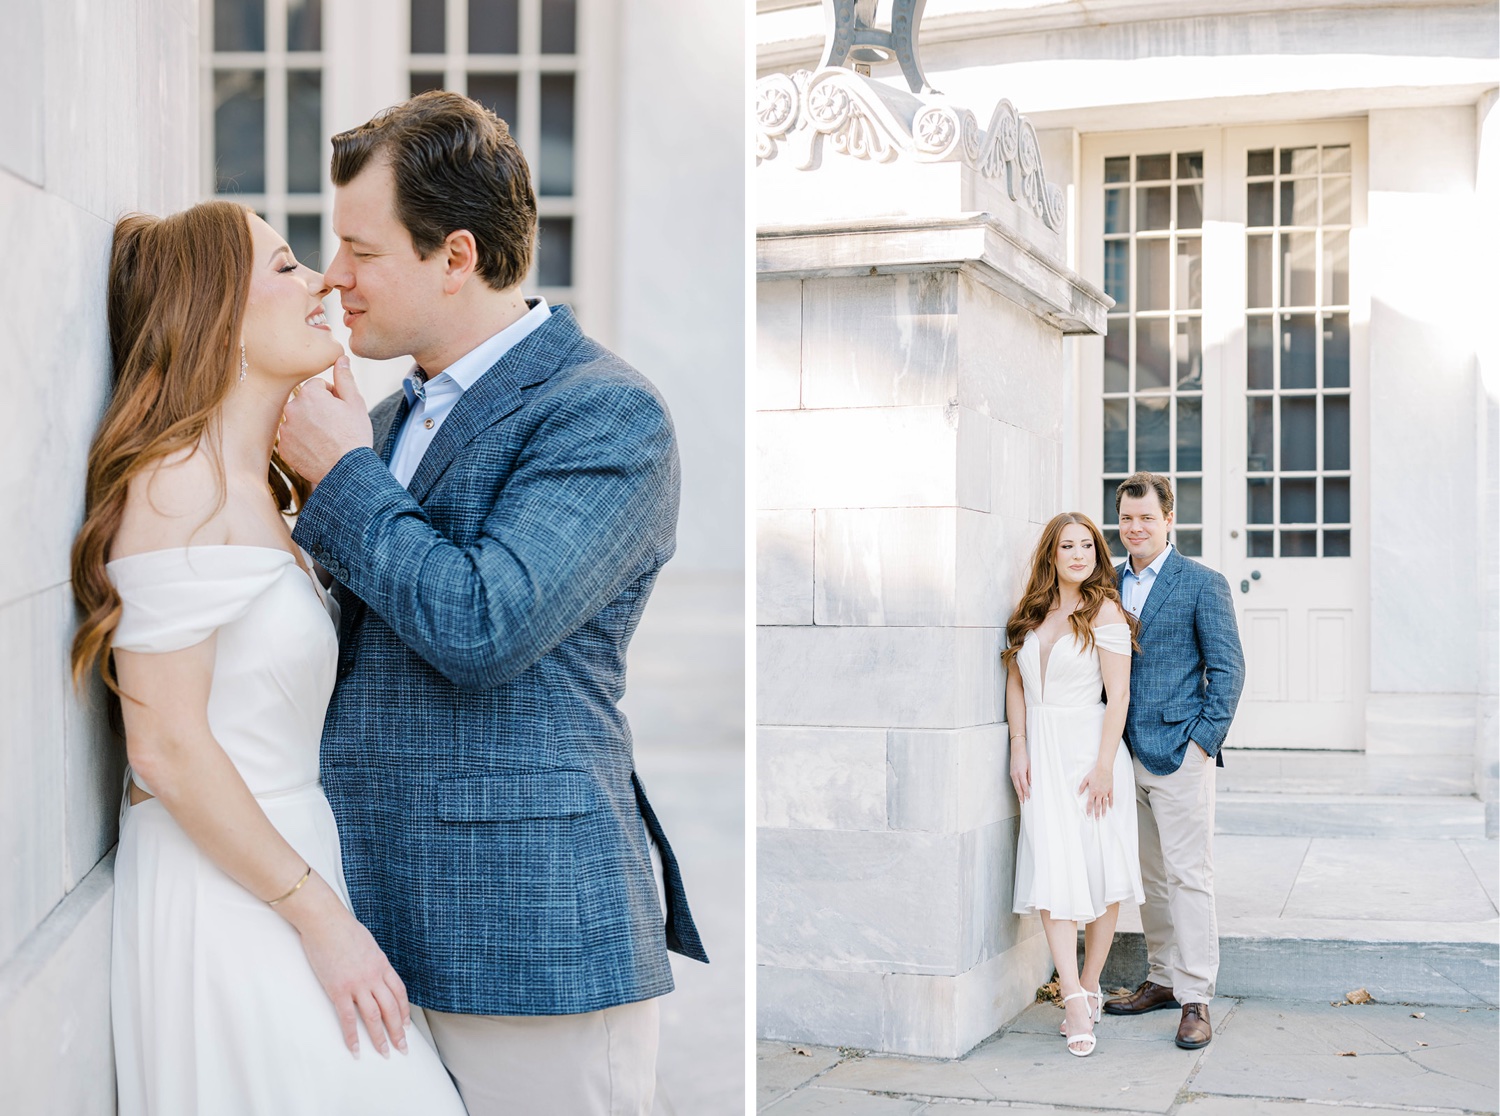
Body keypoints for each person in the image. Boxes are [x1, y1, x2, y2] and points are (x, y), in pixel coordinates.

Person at [274, 91, 706, 1115]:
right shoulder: (377, 419)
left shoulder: (605, 411)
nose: (334, 278)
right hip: (375, 921)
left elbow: (486, 622)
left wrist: (338, 482)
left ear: (456, 256)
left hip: (532, 932)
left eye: (359, 249)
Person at [70, 202, 467, 1114]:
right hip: (230, 896)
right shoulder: (176, 483)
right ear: (215, 315)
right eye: (287, 267)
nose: (324, 280)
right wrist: (323, 923)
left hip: (285, 866)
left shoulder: (262, 491)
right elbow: (164, 749)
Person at [1102, 472, 1245, 1050]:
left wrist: (1202, 742)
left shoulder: (1201, 583)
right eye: (1126, 519)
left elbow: (1228, 669)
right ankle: (1161, 979)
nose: (1135, 528)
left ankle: (1196, 998)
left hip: (1180, 752)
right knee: (1150, 879)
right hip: (1120, 756)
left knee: (1190, 876)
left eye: (1145, 518)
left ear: (1168, 521)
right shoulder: (1105, 584)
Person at [1006, 512, 1144, 1057]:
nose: (1081, 554)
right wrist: (1018, 745)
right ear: (1052, 555)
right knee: (1051, 868)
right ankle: (1072, 997)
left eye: (1088, 545)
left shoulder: (1104, 609)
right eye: (1069, 546)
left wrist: (1106, 764)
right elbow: (1015, 680)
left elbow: (1120, 695)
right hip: (1041, 753)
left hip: (1091, 753)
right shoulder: (1031, 613)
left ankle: (1089, 985)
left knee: (1100, 870)